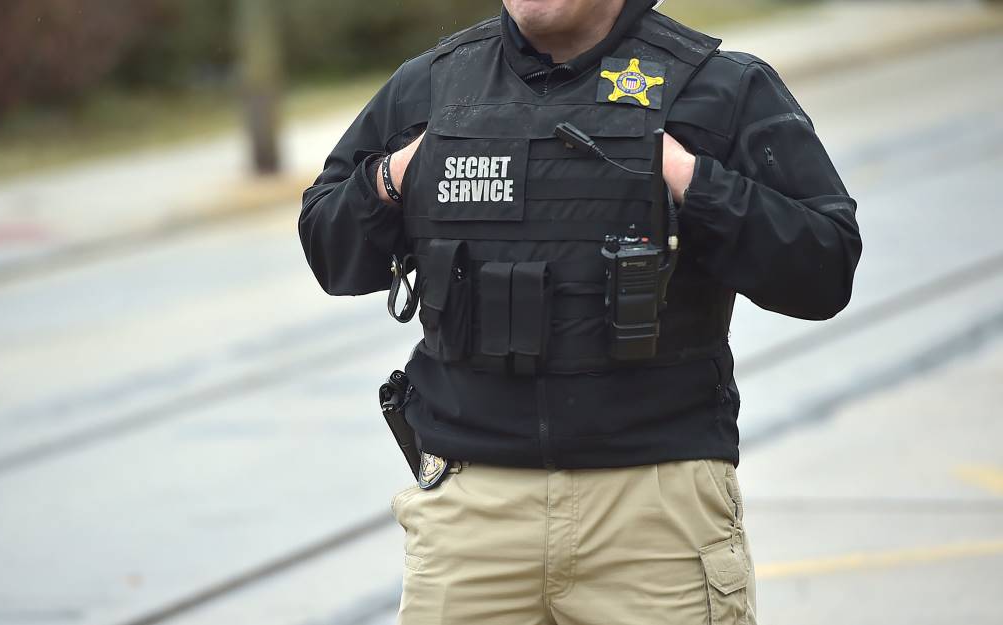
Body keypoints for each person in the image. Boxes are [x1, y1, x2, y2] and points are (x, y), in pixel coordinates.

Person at [300, 0, 862, 622]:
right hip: (470, 518)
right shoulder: (432, 87)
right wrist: (396, 174)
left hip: (655, 514)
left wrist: (689, 179)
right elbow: (330, 252)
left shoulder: (719, 86)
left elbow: (824, 268)